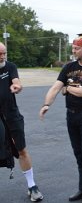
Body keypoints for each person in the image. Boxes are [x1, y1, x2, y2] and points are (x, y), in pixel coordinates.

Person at [39, 36, 82, 203]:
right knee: (79, 154)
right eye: (73, 48)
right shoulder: (69, 67)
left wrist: (68, 88)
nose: (73, 51)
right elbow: (55, 87)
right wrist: (47, 104)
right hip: (72, 115)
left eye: (77, 48)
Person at [0, 42, 44, 202]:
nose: (3, 56)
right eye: (0, 54)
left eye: (4, 53)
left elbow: (16, 81)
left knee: (22, 151)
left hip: (12, 116)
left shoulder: (10, 67)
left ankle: (32, 186)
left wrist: (17, 86)